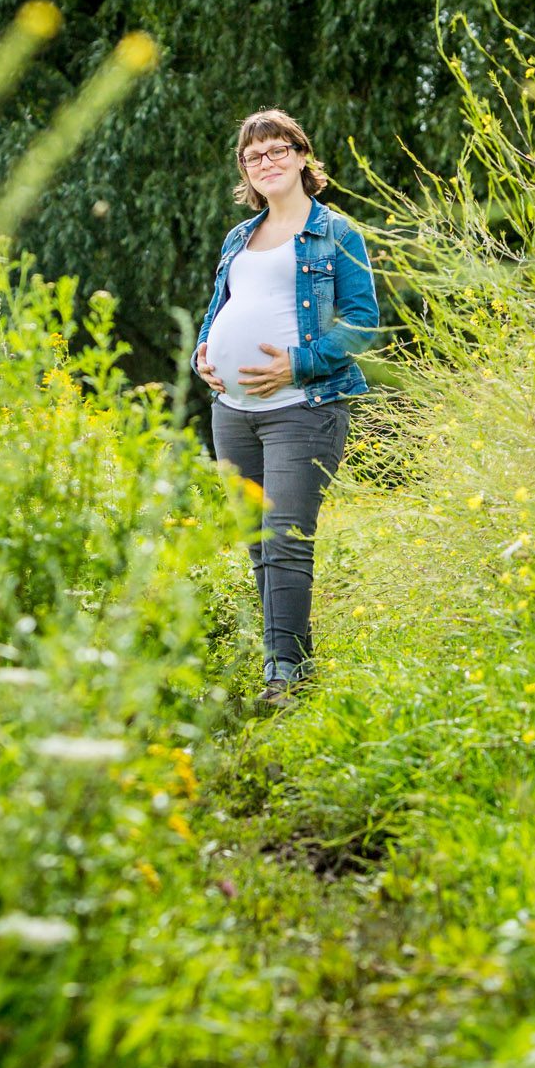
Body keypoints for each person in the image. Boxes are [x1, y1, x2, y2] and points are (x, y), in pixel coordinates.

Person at [193, 108, 380, 707]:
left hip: (304, 407)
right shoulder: (237, 237)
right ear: (246, 173)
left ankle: (286, 678)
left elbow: (363, 326)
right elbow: (222, 305)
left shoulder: (337, 233)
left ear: (302, 156)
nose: (266, 163)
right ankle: (283, 660)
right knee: (257, 541)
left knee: (286, 539)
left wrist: (295, 363)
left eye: (276, 151)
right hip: (232, 411)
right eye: (254, 157)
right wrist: (204, 351)